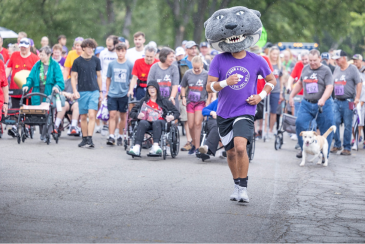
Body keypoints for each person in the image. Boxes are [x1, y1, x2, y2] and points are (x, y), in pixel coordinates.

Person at [205, 5, 276, 203]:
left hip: (246, 109)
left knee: (240, 147)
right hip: (224, 112)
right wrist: (225, 82)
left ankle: (243, 188)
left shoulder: (258, 60)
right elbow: (209, 87)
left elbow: (272, 81)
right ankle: (236, 184)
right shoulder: (219, 60)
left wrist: (261, 96)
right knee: (229, 152)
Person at [289, 49, 334, 159]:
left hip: (324, 104)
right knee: (299, 123)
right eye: (310, 60)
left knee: (325, 128)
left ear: (319, 59)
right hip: (307, 103)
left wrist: (323, 99)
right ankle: (303, 148)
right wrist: (291, 95)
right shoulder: (305, 69)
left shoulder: (326, 70)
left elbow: (329, 87)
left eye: (315, 60)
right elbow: (300, 83)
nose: (312, 63)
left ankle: (324, 154)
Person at [22, 46, 64, 141]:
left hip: (49, 93)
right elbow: (31, 78)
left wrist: (56, 87)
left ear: (49, 55)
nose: (40, 57)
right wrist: (27, 85)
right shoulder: (37, 65)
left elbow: (60, 81)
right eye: (40, 54)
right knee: (39, 114)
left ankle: (46, 134)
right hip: (37, 93)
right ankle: (42, 133)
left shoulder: (55, 65)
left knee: (48, 114)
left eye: (43, 55)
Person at [128, 80, 180, 156]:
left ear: (157, 89)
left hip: (160, 122)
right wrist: (137, 115)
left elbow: (176, 112)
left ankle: (155, 146)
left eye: (153, 88)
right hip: (147, 122)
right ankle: (137, 147)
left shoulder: (163, 101)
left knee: (157, 122)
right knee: (142, 122)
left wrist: (172, 117)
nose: (151, 90)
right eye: (149, 88)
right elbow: (132, 112)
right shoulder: (144, 100)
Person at [71, 39, 102, 148]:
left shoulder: (96, 60)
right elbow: (73, 77)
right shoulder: (77, 61)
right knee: (83, 116)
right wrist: (75, 91)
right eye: (88, 47)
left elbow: (99, 76)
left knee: (92, 114)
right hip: (82, 91)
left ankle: (90, 138)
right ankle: (84, 138)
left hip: (94, 90)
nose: (90, 50)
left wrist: (101, 91)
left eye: (92, 47)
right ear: (83, 48)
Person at [330, 50, 362, 155]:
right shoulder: (336, 69)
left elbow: (359, 83)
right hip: (336, 100)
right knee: (334, 122)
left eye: (337, 59)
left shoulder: (352, 69)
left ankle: (347, 147)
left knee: (348, 124)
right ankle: (337, 144)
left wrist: (357, 97)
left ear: (344, 58)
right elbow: (332, 83)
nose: (336, 61)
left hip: (348, 100)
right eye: (335, 59)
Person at [5, 38, 39, 138]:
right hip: (15, 88)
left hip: (29, 89)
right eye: (21, 47)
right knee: (15, 108)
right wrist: (3, 80)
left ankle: (28, 126)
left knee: (27, 108)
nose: (23, 49)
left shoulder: (34, 58)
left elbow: (36, 75)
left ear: (29, 47)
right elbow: (8, 69)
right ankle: (15, 126)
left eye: (25, 47)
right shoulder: (15, 55)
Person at [105, 43, 134, 146]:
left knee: (123, 115)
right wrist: (107, 91)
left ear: (125, 51)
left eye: (122, 51)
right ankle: (111, 136)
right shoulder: (112, 64)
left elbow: (132, 79)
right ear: (116, 52)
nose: (120, 53)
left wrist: (130, 90)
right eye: (118, 51)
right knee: (112, 115)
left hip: (124, 93)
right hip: (113, 93)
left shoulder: (130, 64)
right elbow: (108, 78)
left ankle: (121, 135)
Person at [181, 56, 210, 155]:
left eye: (198, 68)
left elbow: (209, 88)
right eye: (195, 68)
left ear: (202, 65)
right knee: (191, 125)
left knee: (198, 123)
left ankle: (198, 147)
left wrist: (209, 100)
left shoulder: (206, 74)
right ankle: (193, 143)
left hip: (201, 101)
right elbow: (183, 86)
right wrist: (183, 97)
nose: (197, 70)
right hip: (190, 102)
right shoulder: (188, 73)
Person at [267, 46, 284, 138]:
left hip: (276, 91)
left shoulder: (279, 65)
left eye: (277, 54)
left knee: (273, 111)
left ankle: (270, 129)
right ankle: (264, 130)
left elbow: (281, 80)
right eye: (274, 54)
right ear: (270, 54)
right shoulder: (267, 63)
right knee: (265, 111)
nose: (275, 56)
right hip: (266, 90)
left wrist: (281, 92)